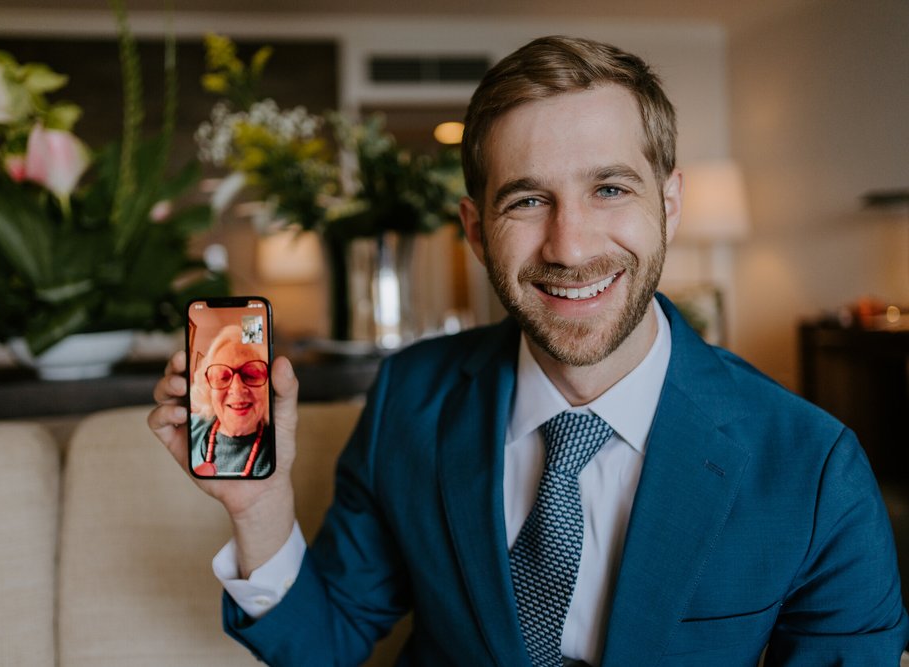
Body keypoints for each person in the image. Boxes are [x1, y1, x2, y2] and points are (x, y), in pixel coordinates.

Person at [150, 35, 908, 665]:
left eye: (610, 188)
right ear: (476, 229)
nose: (569, 245)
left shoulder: (813, 467)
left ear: (669, 204)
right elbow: (328, 639)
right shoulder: (407, 400)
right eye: (527, 199)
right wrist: (261, 507)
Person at [188, 324, 272, 478]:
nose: (237, 389)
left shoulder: (276, 444)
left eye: (251, 375)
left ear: (268, 386)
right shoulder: (189, 429)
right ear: (208, 388)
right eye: (223, 377)